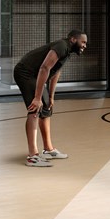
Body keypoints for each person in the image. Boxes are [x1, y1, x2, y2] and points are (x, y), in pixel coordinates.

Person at [13, 30, 87, 167]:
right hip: (26, 73)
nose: (85, 45)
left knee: (46, 108)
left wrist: (51, 96)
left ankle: (48, 149)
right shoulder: (61, 46)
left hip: (36, 75)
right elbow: (44, 68)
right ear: (72, 39)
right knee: (35, 109)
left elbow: (54, 73)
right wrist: (36, 97)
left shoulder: (67, 52)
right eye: (83, 42)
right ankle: (32, 156)